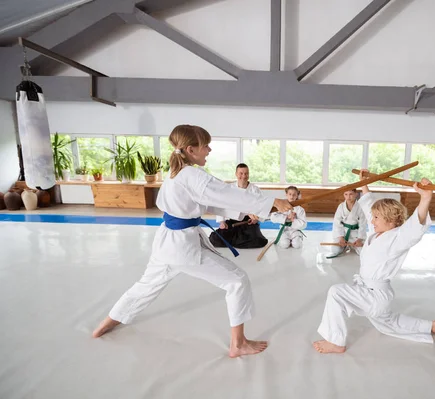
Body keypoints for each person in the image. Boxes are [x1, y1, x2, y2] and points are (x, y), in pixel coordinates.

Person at [92, 125, 293, 358]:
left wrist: (261, 209)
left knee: (145, 286)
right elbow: (228, 194)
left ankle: (105, 324)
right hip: (181, 247)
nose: (209, 149)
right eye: (205, 145)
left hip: (167, 242)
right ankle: (238, 345)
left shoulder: (177, 171)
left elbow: (213, 200)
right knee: (237, 281)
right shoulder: (192, 175)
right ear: (190, 149)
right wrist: (272, 202)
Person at [313, 170, 435, 354]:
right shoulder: (377, 233)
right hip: (373, 293)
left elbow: (415, 226)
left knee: (336, 292)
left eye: (376, 218)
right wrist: (365, 183)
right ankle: (433, 326)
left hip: (374, 295)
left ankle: (336, 342)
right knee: (389, 324)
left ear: (391, 221)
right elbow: (368, 207)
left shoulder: (397, 239)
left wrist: (425, 198)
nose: (371, 220)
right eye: (373, 217)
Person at [209, 163, 269, 249]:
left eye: (246, 173)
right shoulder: (229, 188)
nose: (244, 176)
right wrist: (222, 222)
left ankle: (233, 241)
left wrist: (256, 219)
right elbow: (220, 204)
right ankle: (237, 241)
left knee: (258, 241)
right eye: (241, 173)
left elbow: (261, 207)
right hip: (232, 221)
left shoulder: (255, 190)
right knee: (215, 239)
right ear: (236, 174)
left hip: (248, 222)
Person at [327, 188, 367, 258]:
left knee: (364, 252)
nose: (348, 197)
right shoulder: (341, 206)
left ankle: (352, 246)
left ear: (356, 194)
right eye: (346, 194)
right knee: (335, 250)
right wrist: (341, 238)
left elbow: (362, 224)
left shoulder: (360, 207)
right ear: (344, 195)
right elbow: (337, 223)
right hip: (344, 233)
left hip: (356, 234)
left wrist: (359, 239)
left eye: (351, 194)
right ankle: (345, 246)